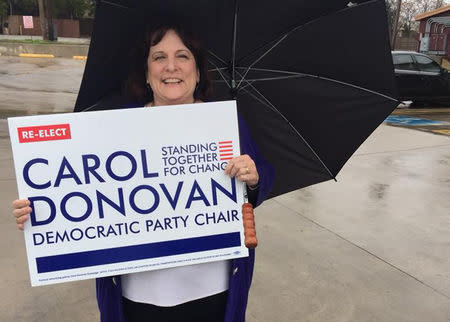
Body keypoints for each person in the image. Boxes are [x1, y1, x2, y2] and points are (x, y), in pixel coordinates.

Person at [12, 22, 274, 322]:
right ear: (147, 73)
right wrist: (39, 211)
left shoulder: (225, 123)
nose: (171, 66)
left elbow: (262, 179)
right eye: (159, 57)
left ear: (198, 71)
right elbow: (80, 191)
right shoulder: (114, 128)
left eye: (183, 56)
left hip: (214, 292)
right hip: (137, 298)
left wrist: (253, 179)